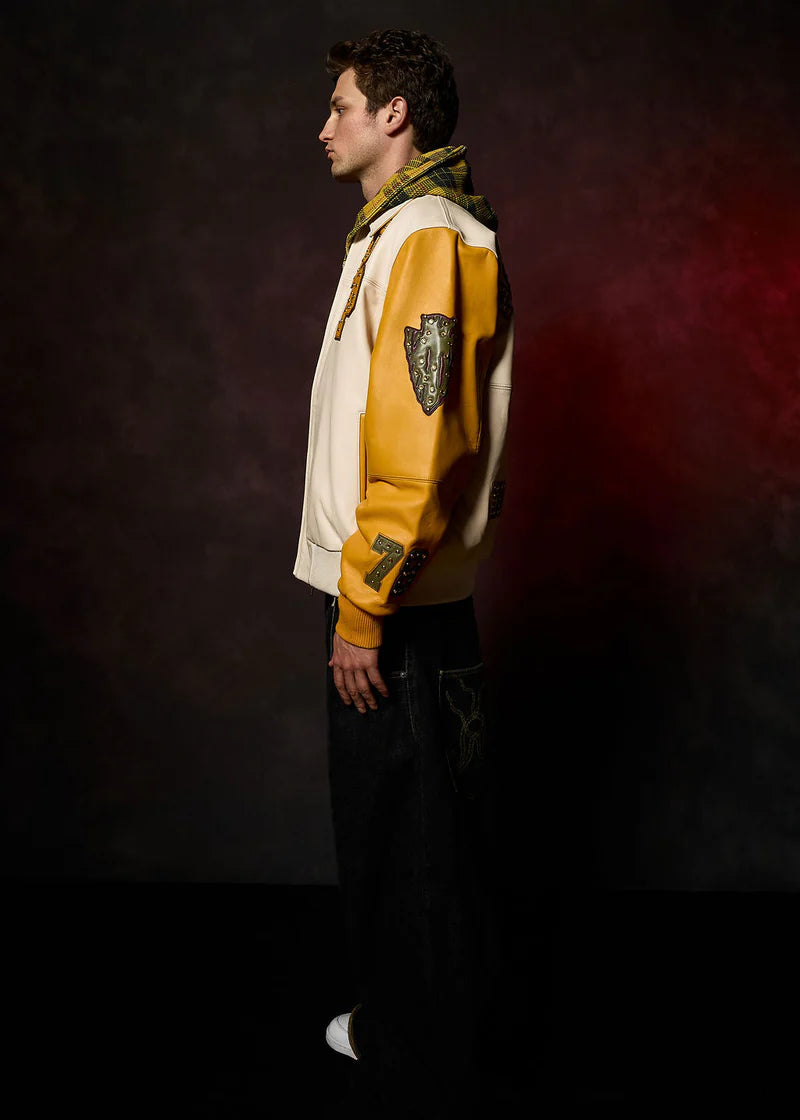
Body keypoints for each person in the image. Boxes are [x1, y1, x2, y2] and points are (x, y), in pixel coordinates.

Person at [293, 28, 514, 1119]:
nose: (322, 127)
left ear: (395, 115)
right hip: (414, 599)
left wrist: (362, 608)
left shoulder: (425, 234)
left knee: (409, 838)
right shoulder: (405, 228)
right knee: (421, 832)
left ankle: (414, 1057)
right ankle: (422, 1035)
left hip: (398, 605)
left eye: (340, 106)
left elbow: (420, 445)